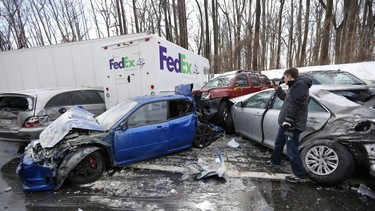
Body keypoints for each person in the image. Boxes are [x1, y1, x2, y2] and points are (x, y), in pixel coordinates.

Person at [269, 67, 312, 182]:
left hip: (292, 124)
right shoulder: (294, 85)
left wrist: (289, 119)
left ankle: (300, 175)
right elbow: (287, 99)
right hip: (286, 123)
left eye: (284, 77)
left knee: (292, 150)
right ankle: (275, 162)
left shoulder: (300, 85)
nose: (283, 79)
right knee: (279, 143)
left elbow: (298, 104)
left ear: (289, 76)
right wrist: (278, 89)